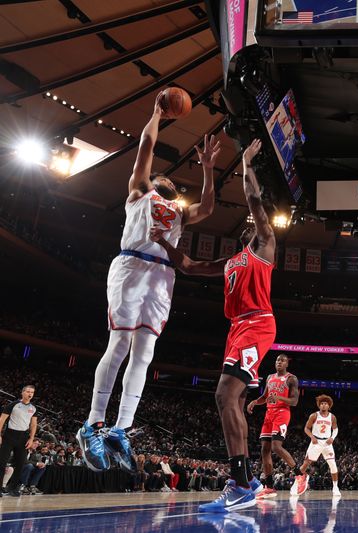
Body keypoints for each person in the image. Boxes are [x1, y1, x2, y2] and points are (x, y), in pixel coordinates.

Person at [77, 92, 220, 474]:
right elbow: (146, 146)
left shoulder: (179, 211)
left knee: (145, 353)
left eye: (170, 178)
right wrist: (157, 115)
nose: (165, 177)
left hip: (162, 277)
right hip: (132, 266)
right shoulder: (140, 192)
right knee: (120, 343)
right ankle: (92, 422)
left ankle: (121, 429)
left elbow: (207, 208)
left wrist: (208, 169)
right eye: (162, 175)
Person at [151, 138, 274, 512]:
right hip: (236, 328)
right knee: (230, 398)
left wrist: (245, 166)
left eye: (254, 219)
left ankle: (238, 482)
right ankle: (247, 479)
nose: (251, 220)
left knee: (223, 394)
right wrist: (164, 243)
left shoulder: (264, 245)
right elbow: (187, 266)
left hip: (257, 324)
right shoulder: (230, 260)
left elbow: (253, 201)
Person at [247, 354, 301, 499]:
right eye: (277, 360)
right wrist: (255, 402)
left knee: (276, 447)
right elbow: (265, 397)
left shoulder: (291, 378)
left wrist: (278, 398)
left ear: (287, 364)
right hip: (269, 414)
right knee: (264, 449)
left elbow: (294, 401)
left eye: (282, 360)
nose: (279, 362)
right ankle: (269, 486)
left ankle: (300, 475)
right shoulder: (270, 377)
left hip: (282, 413)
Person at [293, 394, 340, 497]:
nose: (323, 405)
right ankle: (296, 483)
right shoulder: (314, 415)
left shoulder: (332, 417)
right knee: (306, 464)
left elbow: (335, 429)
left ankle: (335, 487)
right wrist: (312, 437)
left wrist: (332, 438)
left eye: (325, 404)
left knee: (333, 464)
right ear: (319, 405)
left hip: (327, 443)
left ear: (329, 406)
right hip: (316, 442)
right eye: (322, 403)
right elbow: (306, 428)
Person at [0, 385, 38, 497]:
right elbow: (2, 419)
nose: (30, 394)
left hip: (23, 438)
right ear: (22, 392)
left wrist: (31, 439)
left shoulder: (34, 408)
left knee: (21, 464)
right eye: (27, 391)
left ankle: (12, 488)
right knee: (1, 462)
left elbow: (33, 424)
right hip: (9, 436)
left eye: (32, 392)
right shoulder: (13, 405)